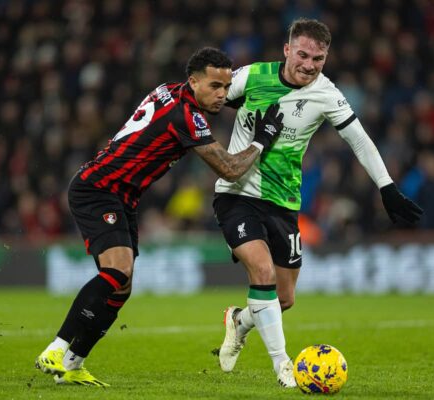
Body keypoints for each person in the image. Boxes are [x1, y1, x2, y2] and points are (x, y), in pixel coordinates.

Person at [35, 47, 284, 387]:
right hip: (98, 189)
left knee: (121, 288)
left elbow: (207, 103)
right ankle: (58, 347)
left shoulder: (170, 89)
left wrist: (239, 100)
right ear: (193, 81)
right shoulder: (186, 116)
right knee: (117, 271)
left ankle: (72, 364)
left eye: (227, 88)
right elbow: (229, 169)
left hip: (121, 196)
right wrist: (261, 141)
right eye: (215, 86)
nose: (223, 95)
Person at [214, 19, 423, 387]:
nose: (309, 65)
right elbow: (206, 97)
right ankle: (283, 366)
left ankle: (239, 321)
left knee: (285, 298)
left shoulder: (326, 93)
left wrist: (386, 187)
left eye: (319, 58)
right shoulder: (252, 77)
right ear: (287, 49)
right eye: (303, 55)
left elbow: (359, 140)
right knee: (261, 272)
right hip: (238, 193)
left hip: (284, 202)